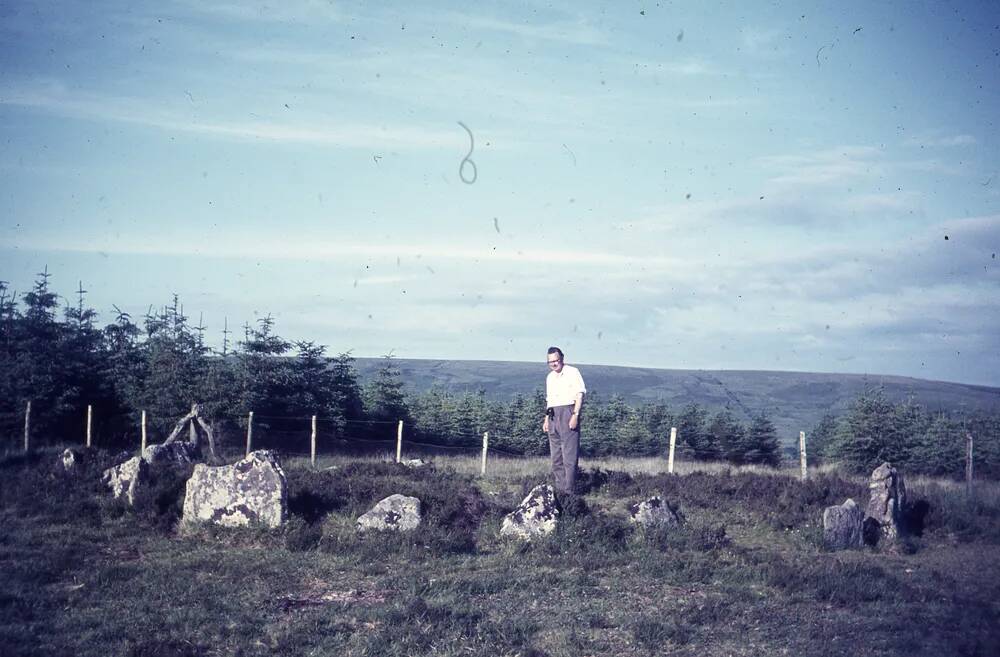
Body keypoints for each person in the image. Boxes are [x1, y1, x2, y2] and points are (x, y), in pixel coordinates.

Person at [542, 346, 586, 495]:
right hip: (553, 415)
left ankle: (569, 492)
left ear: (562, 359)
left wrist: (575, 415)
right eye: (550, 362)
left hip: (568, 412)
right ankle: (560, 491)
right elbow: (549, 400)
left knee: (569, 456)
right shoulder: (550, 377)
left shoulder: (573, 372)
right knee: (556, 458)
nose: (554, 364)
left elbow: (579, 395)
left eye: (556, 360)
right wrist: (546, 419)